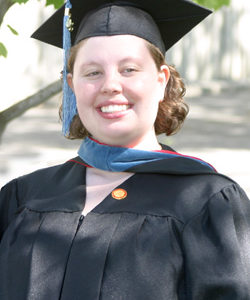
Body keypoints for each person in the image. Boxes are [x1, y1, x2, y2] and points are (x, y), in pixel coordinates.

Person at [1, 0, 250, 299]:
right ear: (72, 85)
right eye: (92, 72)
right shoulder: (23, 196)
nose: (111, 85)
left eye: (129, 69)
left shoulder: (208, 202)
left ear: (161, 82)